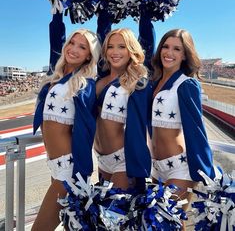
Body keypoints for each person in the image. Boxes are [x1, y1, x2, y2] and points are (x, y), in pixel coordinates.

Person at [31, 29, 101, 231]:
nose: (74, 49)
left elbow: (86, 130)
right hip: (54, 164)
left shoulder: (84, 84)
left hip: (69, 170)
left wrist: (81, 175)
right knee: (69, 225)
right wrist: (58, 10)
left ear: (89, 55)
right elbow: (55, 35)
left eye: (82, 46)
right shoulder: (58, 76)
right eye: (72, 43)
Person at [149, 29, 218, 228]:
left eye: (176, 49)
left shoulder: (187, 85)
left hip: (180, 169)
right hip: (157, 168)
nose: (168, 52)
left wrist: (206, 176)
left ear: (185, 54)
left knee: (165, 224)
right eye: (165, 46)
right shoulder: (155, 82)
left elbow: (197, 131)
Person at [94, 28, 152, 191]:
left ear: (131, 50)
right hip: (101, 159)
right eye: (110, 47)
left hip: (124, 160)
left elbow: (141, 123)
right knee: (100, 213)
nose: (115, 52)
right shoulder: (97, 81)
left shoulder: (136, 83)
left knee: (115, 214)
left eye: (122, 46)